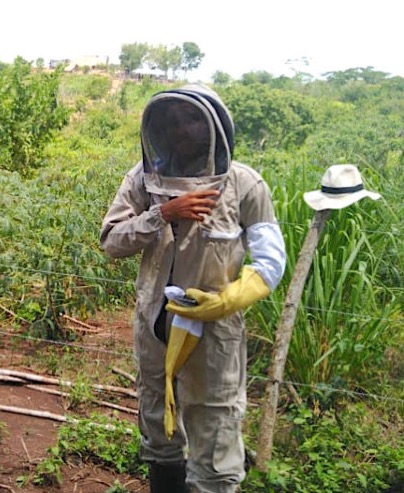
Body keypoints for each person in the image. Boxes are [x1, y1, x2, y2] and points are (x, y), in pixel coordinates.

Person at [99, 84, 286, 493]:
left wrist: (225, 301)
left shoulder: (244, 185)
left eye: (193, 120)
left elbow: (271, 263)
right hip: (155, 329)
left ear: (215, 124)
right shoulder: (143, 178)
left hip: (214, 337)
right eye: (173, 122)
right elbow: (111, 241)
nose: (183, 130)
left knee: (215, 433)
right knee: (158, 429)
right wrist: (162, 213)